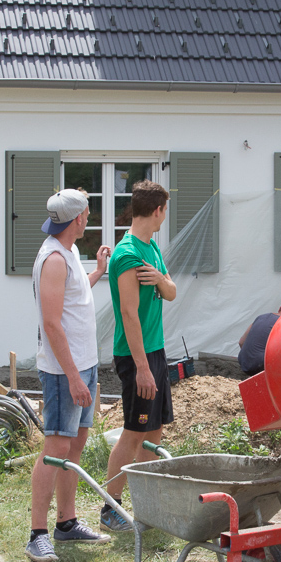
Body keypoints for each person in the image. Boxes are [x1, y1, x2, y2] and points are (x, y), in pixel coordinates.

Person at [26, 189, 115, 562]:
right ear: (78, 219)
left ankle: (66, 523)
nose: (88, 220)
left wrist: (96, 272)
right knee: (55, 449)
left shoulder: (70, 253)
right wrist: (75, 378)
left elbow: (74, 299)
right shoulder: (54, 260)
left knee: (74, 446)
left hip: (83, 364)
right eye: (87, 214)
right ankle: (37, 534)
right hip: (66, 371)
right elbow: (51, 323)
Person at [99, 181, 177, 533]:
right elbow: (128, 314)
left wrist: (160, 278)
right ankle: (110, 508)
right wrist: (143, 368)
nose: (165, 217)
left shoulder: (152, 250)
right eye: (165, 210)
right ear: (157, 210)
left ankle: (145, 508)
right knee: (133, 432)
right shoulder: (127, 253)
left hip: (156, 350)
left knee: (153, 431)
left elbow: (172, 292)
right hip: (136, 357)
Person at [238, 300, 281, 375]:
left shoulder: (260, 317)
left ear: (280, 308)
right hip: (258, 366)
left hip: (242, 360)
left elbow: (241, 342)